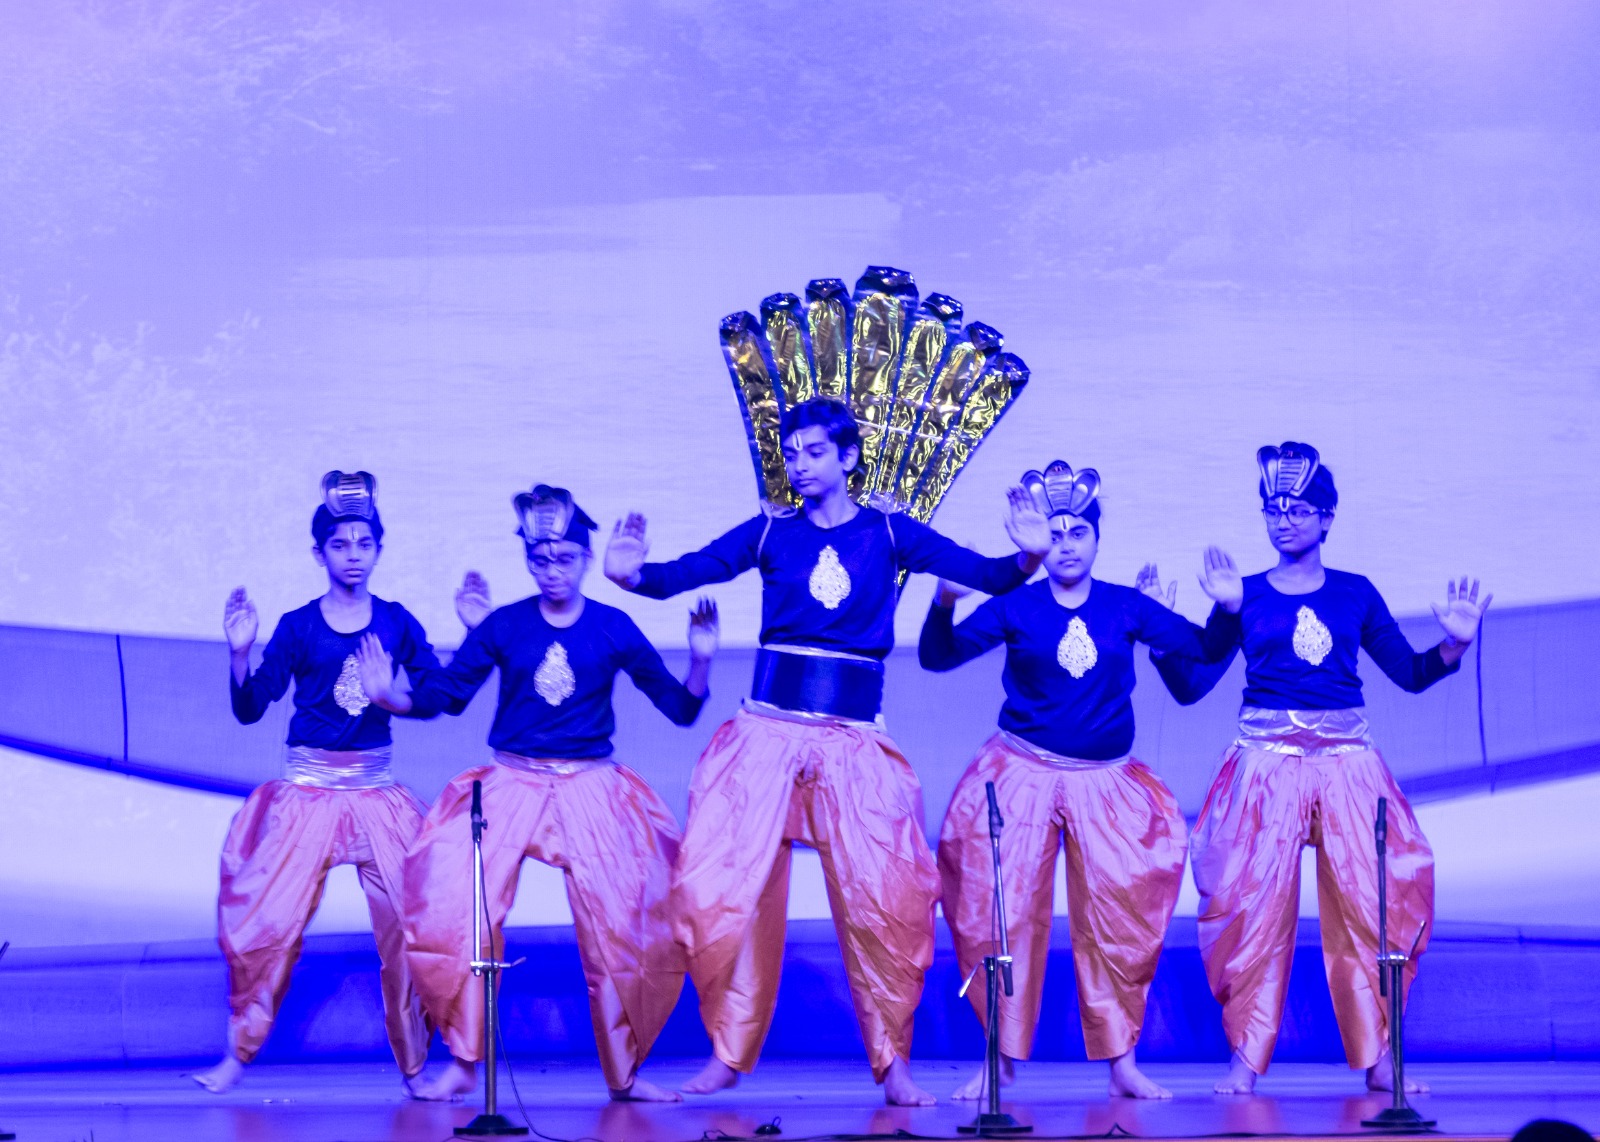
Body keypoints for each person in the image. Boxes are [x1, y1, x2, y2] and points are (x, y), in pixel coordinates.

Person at [603, 397, 1053, 1106]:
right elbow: (691, 571)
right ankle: (727, 1052)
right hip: (764, 734)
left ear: (847, 457)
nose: (800, 465)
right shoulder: (769, 533)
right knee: (727, 890)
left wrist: (1028, 555)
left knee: (885, 899)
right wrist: (632, 576)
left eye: (814, 452)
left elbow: (989, 575)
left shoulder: (891, 533)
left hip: (854, 741)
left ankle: (893, 1064)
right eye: (791, 453)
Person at [358, 485, 719, 1103]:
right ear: (528, 560)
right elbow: (448, 694)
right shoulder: (505, 625)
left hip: (592, 787)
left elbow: (680, 709)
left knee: (624, 930)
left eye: (566, 558)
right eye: (540, 559)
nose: (553, 571)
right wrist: (392, 697)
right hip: (512, 782)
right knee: (460, 911)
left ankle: (625, 1076)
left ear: (586, 558)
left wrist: (702, 662)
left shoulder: (613, 627)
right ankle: (465, 1062)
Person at [1150, 442, 1490, 1095]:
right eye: (1273, 509)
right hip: (1264, 765)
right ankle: (1245, 1059)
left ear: (1328, 518)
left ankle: (1380, 1058)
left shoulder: (1355, 593)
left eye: (1299, 509)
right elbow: (1191, 687)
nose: (1284, 521)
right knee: (1251, 909)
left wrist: (1453, 645)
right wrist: (1167, 638)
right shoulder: (1244, 594)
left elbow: (1409, 673)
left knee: (1374, 905)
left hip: (1347, 765)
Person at [920, 460, 1242, 1101]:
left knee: (1118, 921)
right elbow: (938, 657)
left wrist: (1229, 609)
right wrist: (945, 601)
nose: (1066, 545)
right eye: (1055, 534)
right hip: (1021, 774)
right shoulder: (1015, 604)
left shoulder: (1127, 606)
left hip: (1106, 784)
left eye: (1078, 533)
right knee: (1001, 916)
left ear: (1097, 538)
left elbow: (1205, 650)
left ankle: (1122, 1063)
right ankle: (999, 1059)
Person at [194, 471, 443, 1095]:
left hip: (378, 796)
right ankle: (236, 1056)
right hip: (306, 796)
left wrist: (396, 695)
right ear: (319, 553)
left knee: (410, 927)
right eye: (340, 544)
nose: (353, 554)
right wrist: (239, 654)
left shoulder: (397, 622)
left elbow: (437, 693)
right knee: (266, 925)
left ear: (379, 549)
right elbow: (251, 708)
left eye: (364, 543)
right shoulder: (299, 626)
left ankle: (415, 1067)